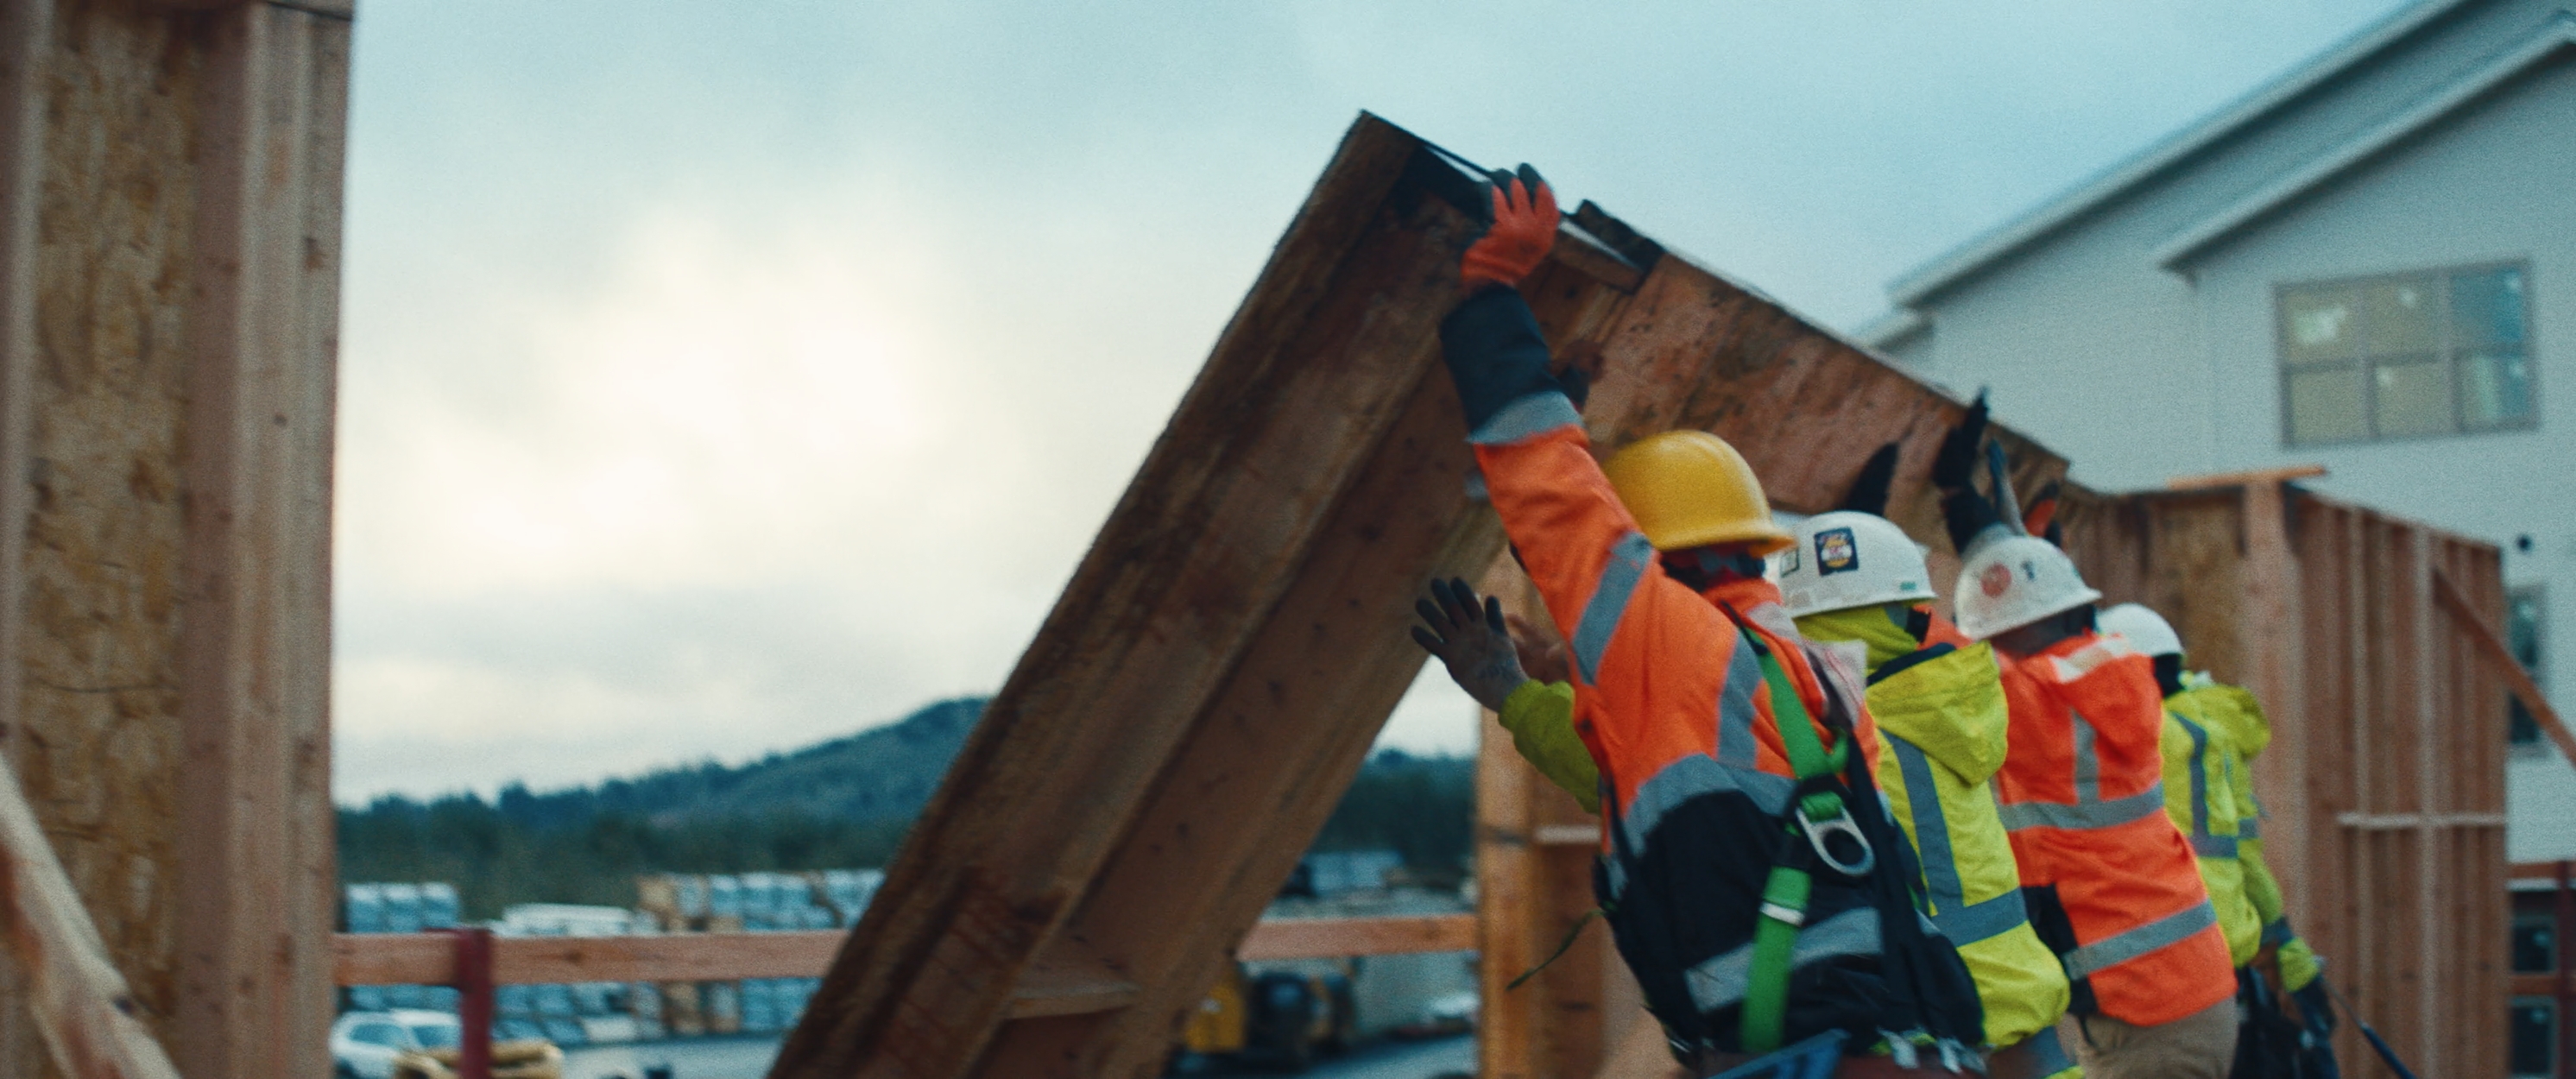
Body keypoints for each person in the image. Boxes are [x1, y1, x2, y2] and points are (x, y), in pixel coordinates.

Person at [1413, 166, 1983, 1076]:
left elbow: (1551, 494)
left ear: (1647, 548)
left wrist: (1491, 300)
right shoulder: (1803, 664)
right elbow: (1641, 781)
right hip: (1895, 1047)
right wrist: (1517, 695)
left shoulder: (1659, 633)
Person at [1933, 407, 2238, 1079]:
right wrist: (1989, 535)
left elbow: (1934, 672)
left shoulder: (2034, 700)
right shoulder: (2106, 669)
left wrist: (1864, 571)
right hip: (2171, 1004)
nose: (1985, 652)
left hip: (2153, 1028)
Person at [1775, 484, 2075, 1078]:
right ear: (1911, 610)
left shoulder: (1833, 736)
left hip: (1934, 1021)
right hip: (2021, 1001)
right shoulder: (1951, 693)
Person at [2095, 603, 2341, 1079]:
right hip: (2230, 950)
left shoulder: (2150, 739)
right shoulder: (2211, 735)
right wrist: (2286, 948)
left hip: (2171, 967)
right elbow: (2245, 863)